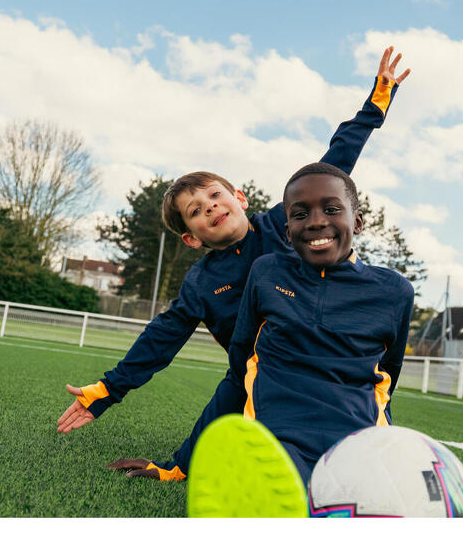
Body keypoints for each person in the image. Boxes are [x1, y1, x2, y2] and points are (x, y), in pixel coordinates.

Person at [57, 48, 411, 481]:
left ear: (239, 198)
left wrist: (375, 106)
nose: (209, 208)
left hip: (339, 373)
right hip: (271, 382)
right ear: (191, 237)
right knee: (244, 396)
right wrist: (111, 391)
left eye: (214, 196)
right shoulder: (202, 283)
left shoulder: (287, 222)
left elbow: (335, 162)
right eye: (194, 210)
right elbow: (163, 340)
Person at [115, 162, 415, 516]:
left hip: (358, 446)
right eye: (195, 210)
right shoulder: (263, 274)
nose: (317, 220)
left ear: (358, 221)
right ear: (287, 232)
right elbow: (232, 367)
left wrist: (373, 112)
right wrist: (177, 459)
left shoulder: (394, 290)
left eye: (332, 209)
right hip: (276, 445)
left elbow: (386, 378)